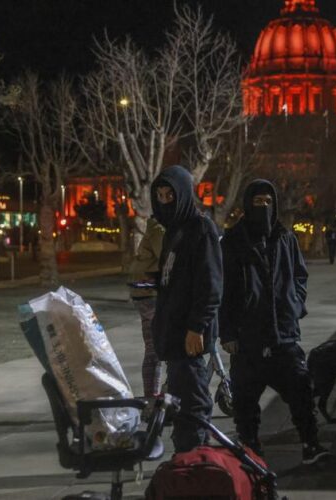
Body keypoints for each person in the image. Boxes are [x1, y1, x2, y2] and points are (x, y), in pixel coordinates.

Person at [219, 180, 329, 465]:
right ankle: (250, 453)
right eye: (258, 202)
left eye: (269, 202)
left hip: (283, 335)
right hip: (247, 337)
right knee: (244, 402)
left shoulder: (285, 238)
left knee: (301, 392)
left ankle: (310, 444)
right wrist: (227, 331)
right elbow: (223, 290)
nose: (264, 207)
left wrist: (294, 304)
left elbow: (299, 275)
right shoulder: (233, 241)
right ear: (247, 204)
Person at [151, 165, 223, 453]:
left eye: (171, 194)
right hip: (174, 336)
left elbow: (211, 285)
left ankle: (195, 464)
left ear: (183, 194)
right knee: (180, 404)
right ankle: (187, 461)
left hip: (189, 336)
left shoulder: (201, 228)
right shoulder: (173, 232)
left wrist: (197, 326)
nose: (166, 201)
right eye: (160, 195)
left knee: (193, 404)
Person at [127, 217, 165, 398]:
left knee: (154, 347)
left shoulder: (158, 226)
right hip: (149, 292)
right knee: (154, 348)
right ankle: (152, 398)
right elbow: (167, 256)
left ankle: (153, 396)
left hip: (146, 291)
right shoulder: (160, 229)